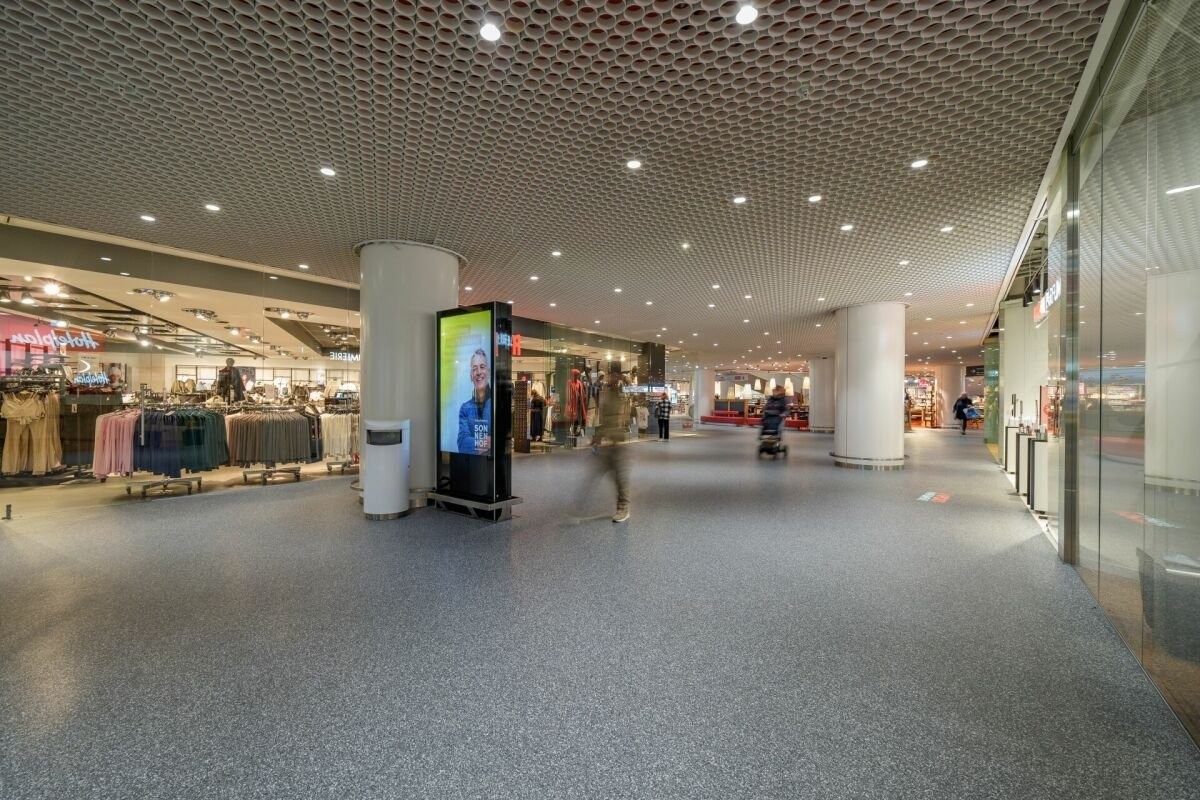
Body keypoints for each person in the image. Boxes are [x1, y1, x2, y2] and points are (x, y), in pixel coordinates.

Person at [593, 368, 632, 522]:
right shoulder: (607, 394)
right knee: (595, 474)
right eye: (611, 376)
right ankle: (578, 506)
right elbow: (605, 419)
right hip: (608, 443)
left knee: (620, 478)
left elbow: (623, 417)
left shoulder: (623, 394)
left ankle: (623, 508)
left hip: (618, 443)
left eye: (615, 376)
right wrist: (598, 436)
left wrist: (626, 380)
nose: (612, 379)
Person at [457, 348, 491, 454]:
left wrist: (474, 444)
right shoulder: (465, 408)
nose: (478, 372)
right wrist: (489, 442)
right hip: (471, 462)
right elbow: (462, 444)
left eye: (482, 367)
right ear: (471, 376)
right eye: (474, 369)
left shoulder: (497, 404)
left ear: (489, 372)